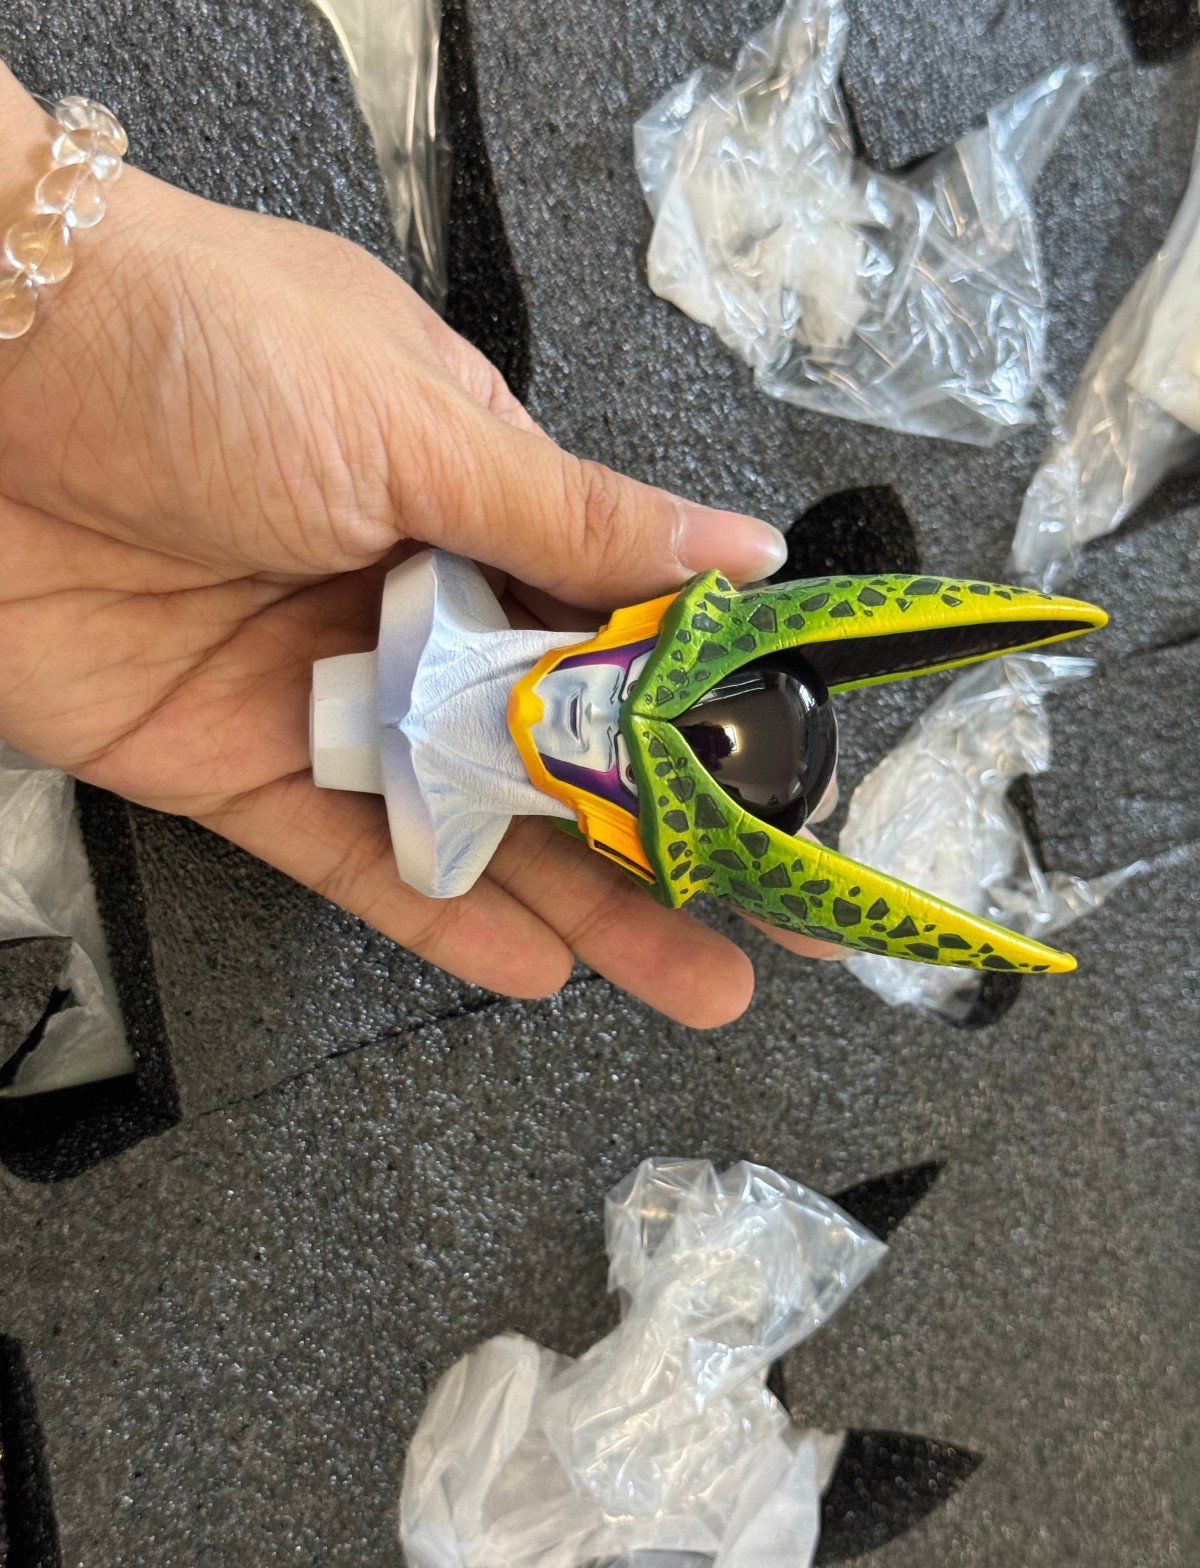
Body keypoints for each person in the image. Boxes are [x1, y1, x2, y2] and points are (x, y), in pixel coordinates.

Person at [0, 60, 839, 1032]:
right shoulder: (432, 609)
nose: (603, 726)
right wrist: (73, 291)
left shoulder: (444, 829)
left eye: (646, 763)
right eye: (644, 698)